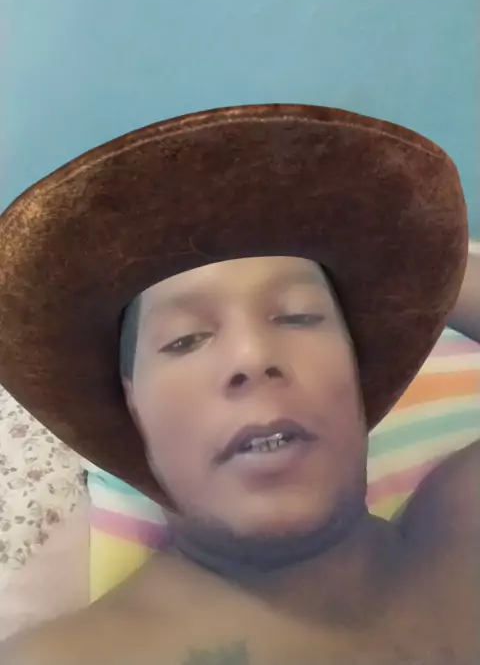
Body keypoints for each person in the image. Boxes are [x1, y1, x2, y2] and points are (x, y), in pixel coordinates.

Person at [0, 104, 478, 665]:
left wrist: (413, 266)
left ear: (356, 370)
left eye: (297, 316)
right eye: (186, 340)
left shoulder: (461, 520)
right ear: (132, 407)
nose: (253, 356)